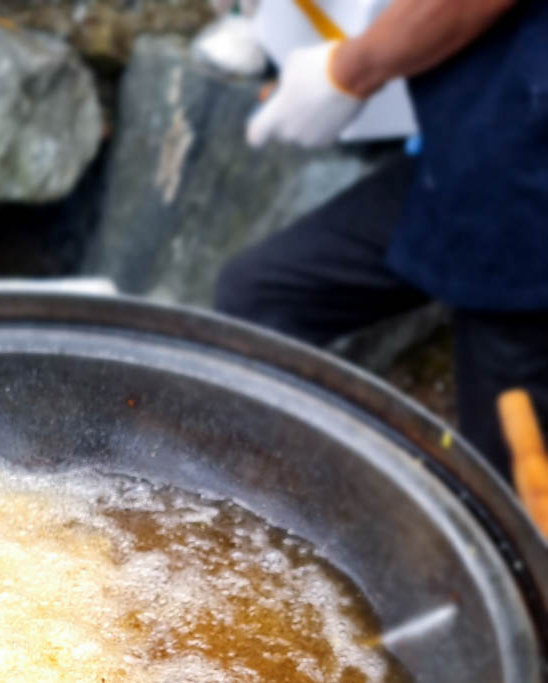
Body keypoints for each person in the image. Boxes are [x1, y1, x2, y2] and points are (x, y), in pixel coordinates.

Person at [213, 0, 548, 478]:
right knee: (256, 296)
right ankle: (271, 491)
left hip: (528, 199)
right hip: (459, 154)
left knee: (505, 469)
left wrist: (348, 71)